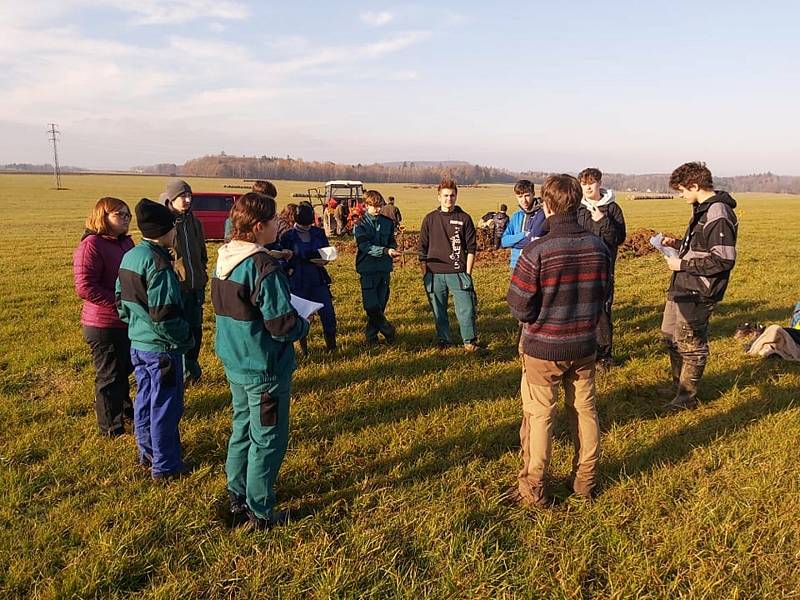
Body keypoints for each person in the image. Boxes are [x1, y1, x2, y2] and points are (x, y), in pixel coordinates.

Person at [507, 174, 611, 506]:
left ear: (547, 204)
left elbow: (519, 304)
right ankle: (585, 481)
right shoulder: (598, 247)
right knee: (584, 410)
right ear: (579, 201)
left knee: (539, 417)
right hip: (584, 345)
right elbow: (604, 294)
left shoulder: (537, 250)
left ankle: (534, 488)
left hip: (542, 349)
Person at [211, 192, 310, 529]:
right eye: (274, 221)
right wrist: (303, 322)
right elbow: (282, 325)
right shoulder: (262, 267)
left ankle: (235, 493)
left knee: (241, 427)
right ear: (258, 226)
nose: (279, 224)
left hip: (234, 359)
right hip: (264, 365)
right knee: (268, 438)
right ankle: (261, 510)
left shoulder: (224, 258)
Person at [116, 199, 193, 480]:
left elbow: (119, 299)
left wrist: (135, 324)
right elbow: (165, 315)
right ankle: (166, 465)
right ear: (166, 230)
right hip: (162, 349)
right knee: (165, 407)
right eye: (173, 228)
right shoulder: (159, 263)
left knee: (145, 401)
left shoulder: (131, 255)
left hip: (138, 343)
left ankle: (146, 453)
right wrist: (185, 338)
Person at [660, 162, 738, 412]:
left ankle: (687, 398)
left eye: (682, 190)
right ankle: (678, 387)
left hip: (698, 289)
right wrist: (678, 243)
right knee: (670, 337)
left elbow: (724, 259)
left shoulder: (718, 212)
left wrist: (682, 263)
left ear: (695, 186)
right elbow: (703, 245)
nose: (680, 195)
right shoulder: (702, 208)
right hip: (682, 285)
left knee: (691, 344)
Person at [73, 197, 135, 436]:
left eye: (128, 215)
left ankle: (128, 412)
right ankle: (111, 427)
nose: (126, 219)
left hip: (125, 318)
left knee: (124, 369)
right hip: (103, 322)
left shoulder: (126, 243)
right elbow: (85, 287)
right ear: (103, 216)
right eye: (119, 214)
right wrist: (118, 301)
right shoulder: (92, 245)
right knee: (109, 375)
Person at [418, 178, 485, 352]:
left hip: (458, 272)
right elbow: (422, 250)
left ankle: (469, 342)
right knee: (439, 311)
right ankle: (444, 340)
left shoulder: (464, 218)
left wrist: (467, 273)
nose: (449, 199)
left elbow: (471, 248)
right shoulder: (430, 219)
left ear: (456, 196)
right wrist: (425, 273)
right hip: (434, 275)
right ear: (439, 197)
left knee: (467, 310)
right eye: (446, 195)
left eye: (452, 195)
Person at [576, 168, 627, 370]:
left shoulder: (612, 209)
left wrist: (603, 221)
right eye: (584, 183)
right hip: (580, 268)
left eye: (591, 182)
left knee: (602, 311)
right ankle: (582, 352)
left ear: (599, 183)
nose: (588, 187)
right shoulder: (577, 209)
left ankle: (604, 356)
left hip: (604, 268)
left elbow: (619, 238)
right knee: (580, 310)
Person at [163, 178, 208, 385]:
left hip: (195, 287)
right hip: (176, 289)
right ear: (172, 198)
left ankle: (192, 371)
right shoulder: (164, 223)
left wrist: (202, 275)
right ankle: (177, 374)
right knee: (177, 333)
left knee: (195, 331)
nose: (188, 200)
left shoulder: (194, 222)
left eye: (190, 195)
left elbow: (202, 253)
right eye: (183, 196)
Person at [280, 202, 337, 353]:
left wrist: (325, 260)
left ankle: (332, 347)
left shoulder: (318, 233)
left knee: (328, 312)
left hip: (317, 277)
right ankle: (302, 349)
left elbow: (326, 251)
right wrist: (288, 269)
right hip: (297, 279)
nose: (307, 227)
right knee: (300, 314)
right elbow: (280, 257)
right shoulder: (287, 236)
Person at [354, 190, 400, 344]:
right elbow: (365, 246)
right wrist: (385, 251)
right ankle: (387, 329)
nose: (379, 209)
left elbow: (391, 241)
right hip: (367, 270)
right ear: (366, 206)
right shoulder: (360, 225)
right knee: (371, 306)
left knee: (380, 304)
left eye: (380, 206)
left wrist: (393, 249)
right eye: (375, 206)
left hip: (384, 269)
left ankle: (371, 337)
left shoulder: (387, 222)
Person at [501, 179, 547, 269]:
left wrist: (514, 243)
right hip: (515, 264)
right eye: (520, 196)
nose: (524, 200)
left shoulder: (542, 214)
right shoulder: (516, 216)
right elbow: (504, 241)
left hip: (535, 264)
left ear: (533, 193)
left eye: (527, 196)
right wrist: (523, 235)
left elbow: (536, 242)